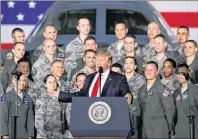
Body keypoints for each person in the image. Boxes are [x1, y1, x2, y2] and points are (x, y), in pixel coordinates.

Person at [49, 50, 132, 104]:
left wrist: (128, 95)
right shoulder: (89, 78)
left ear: (109, 63)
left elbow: (125, 92)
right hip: (91, 119)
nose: (98, 63)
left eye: (101, 60)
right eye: (97, 60)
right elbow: (79, 95)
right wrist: (59, 94)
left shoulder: (118, 78)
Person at [138, 61, 175, 138]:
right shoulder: (142, 89)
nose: (148, 72)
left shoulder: (163, 89)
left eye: (151, 70)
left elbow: (170, 110)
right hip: (144, 128)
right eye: (146, 69)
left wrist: (170, 127)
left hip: (159, 127)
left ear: (157, 72)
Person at [35, 74, 72, 139]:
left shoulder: (61, 98)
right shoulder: (41, 100)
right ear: (45, 85)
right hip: (46, 135)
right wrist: (44, 136)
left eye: (54, 82)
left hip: (60, 134)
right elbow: (38, 122)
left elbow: (68, 115)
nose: (52, 84)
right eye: (50, 82)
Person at [173, 63, 198, 138]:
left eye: (183, 73)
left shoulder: (195, 90)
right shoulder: (176, 92)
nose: (180, 76)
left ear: (188, 74)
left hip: (193, 130)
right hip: (179, 131)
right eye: (178, 73)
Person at [124, 56, 145, 138]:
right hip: (120, 111)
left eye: (130, 63)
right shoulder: (119, 78)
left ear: (135, 66)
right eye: (126, 63)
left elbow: (141, 96)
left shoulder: (140, 79)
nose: (128, 65)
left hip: (134, 112)